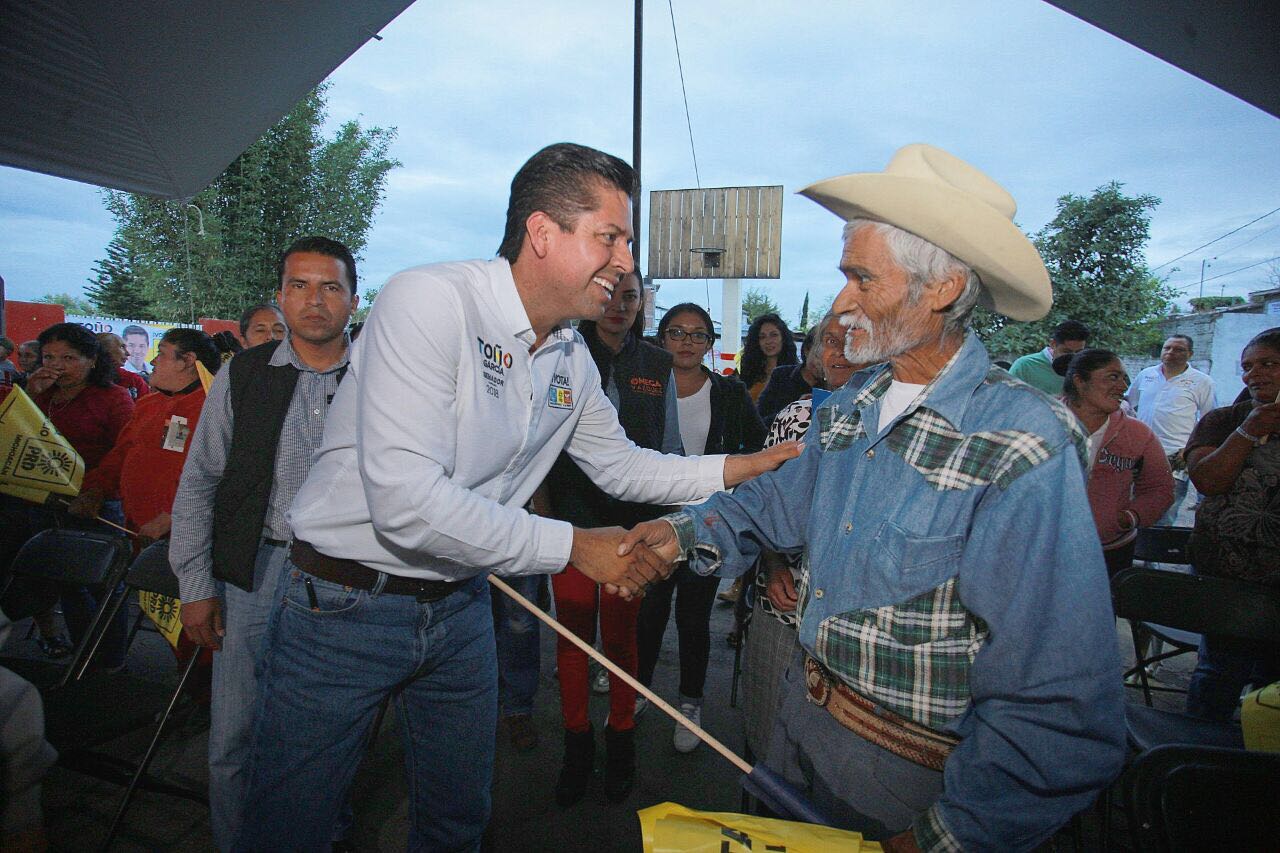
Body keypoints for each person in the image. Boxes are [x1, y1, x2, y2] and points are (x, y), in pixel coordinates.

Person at [233, 143, 799, 851]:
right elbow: (406, 502)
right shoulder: (431, 300)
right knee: (294, 826)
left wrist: (745, 466)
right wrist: (574, 546)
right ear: (542, 234)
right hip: (345, 608)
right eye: (611, 237)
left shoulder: (568, 352)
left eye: (626, 241)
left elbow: (622, 466)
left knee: (456, 819)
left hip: (459, 606)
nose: (626, 260)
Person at [622, 143, 1126, 851]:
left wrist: (944, 836)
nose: (839, 303)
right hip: (793, 733)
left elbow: (1059, 707)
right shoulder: (855, 401)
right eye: (843, 276)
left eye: (862, 278)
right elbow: (774, 504)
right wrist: (678, 533)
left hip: (905, 789)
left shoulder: (1023, 443)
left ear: (942, 287)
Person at [169, 236, 360, 851]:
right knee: (234, 737)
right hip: (255, 571)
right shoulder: (244, 375)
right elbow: (199, 482)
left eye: (330, 287)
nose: (314, 301)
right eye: (299, 286)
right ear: (280, 297)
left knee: (328, 736)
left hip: (344, 577)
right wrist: (195, 588)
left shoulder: (385, 378)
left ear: (352, 300)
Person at [543, 270, 681, 804]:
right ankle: (576, 743)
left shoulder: (657, 363)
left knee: (624, 641)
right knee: (574, 639)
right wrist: (548, 520)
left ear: (642, 303)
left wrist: (666, 526)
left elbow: (669, 449)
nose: (620, 307)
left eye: (631, 298)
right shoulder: (563, 356)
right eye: (613, 297)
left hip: (633, 529)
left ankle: (620, 738)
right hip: (572, 527)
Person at [740, 313, 872, 762]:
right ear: (815, 354)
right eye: (830, 341)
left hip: (856, 623)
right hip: (785, 602)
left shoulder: (899, 428)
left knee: (836, 756)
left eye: (854, 342)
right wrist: (774, 563)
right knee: (768, 734)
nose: (840, 353)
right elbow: (766, 500)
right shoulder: (796, 417)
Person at [635, 301, 765, 753]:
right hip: (653, 517)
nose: (687, 342)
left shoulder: (730, 393)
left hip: (709, 522)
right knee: (649, 609)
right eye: (677, 332)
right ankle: (640, 687)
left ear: (710, 344)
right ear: (662, 338)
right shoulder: (646, 390)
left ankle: (690, 702)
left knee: (693, 615)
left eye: (697, 334)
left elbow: (756, 450)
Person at [24, 322, 135, 666]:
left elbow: (126, 450)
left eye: (69, 358)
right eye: (49, 357)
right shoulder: (37, 392)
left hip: (96, 505)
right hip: (47, 503)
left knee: (102, 585)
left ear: (91, 361)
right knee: (67, 582)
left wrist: (96, 492)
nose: (57, 365)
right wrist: (28, 396)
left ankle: (110, 661)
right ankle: (83, 657)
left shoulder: (113, 398)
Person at [1183, 328, 1280, 719]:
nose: (1253, 375)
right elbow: (1207, 480)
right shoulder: (1222, 421)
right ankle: (1196, 761)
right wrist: (1248, 431)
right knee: (1219, 672)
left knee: (1272, 687)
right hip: (1226, 576)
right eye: (1247, 367)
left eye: (1268, 364)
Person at [71, 329, 221, 540]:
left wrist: (171, 516)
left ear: (187, 361)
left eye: (161, 354)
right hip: (138, 526)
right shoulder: (150, 404)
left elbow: (202, 471)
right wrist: (97, 490)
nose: (152, 361)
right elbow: (123, 452)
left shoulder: (206, 407)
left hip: (176, 534)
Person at [1053, 349, 1173, 574]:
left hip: (1109, 553)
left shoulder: (1138, 434)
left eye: (1124, 378)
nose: (1123, 386)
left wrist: (1128, 517)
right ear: (1079, 381)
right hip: (1041, 549)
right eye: (1113, 377)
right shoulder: (1038, 420)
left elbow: (1160, 488)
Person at [1127, 334, 1216, 525]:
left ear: (1190, 354)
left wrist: (1189, 451)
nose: (1171, 353)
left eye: (1178, 349)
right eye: (1167, 348)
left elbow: (1209, 421)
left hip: (1175, 458)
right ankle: (1134, 552)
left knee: (1165, 513)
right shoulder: (1146, 375)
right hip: (1139, 455)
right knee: (1132, 509)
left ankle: (1156, 555)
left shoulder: (1202, 382)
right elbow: (1128, 405)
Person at [755, 326, 820, 427]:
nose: (823, 363)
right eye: (818, 355)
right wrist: (793, 411)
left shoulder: (834, 386)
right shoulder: (782, 376)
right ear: (807, 350)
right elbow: (758, 421)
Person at [1007, 319, 1090, 394]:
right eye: (1067, 352)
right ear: (1053, 344)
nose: (1073, 357)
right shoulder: (1025, 366)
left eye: (1078, 352)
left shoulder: (1084, 369)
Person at [739, 313, 798, 403]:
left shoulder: (796, 374)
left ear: (784, 337)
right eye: (762, 337)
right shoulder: (747, 371)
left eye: (774, 335)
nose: (768, 341)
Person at [96, 332, 151, 399]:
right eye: (122, 347)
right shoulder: (82, 379)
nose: (128, 353)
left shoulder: (134, 381)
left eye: (141, 346)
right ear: (104, 349)